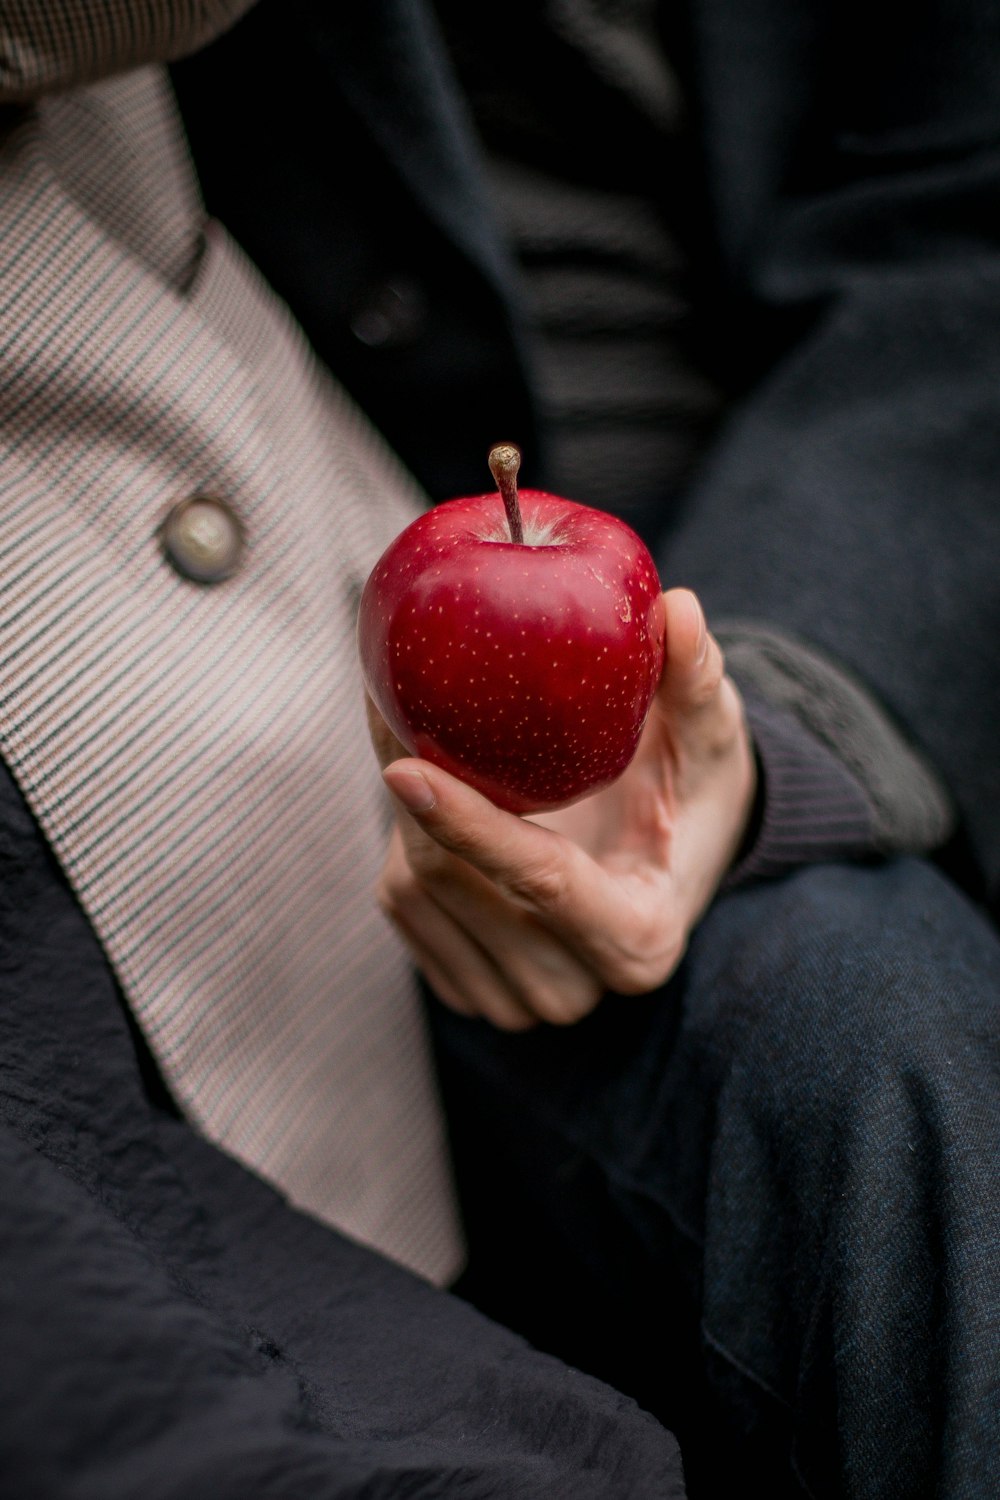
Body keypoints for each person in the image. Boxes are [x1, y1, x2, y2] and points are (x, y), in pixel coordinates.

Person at [0, 2, 997, 1497]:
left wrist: (781, 717)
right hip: (271, 667)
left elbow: (955, 218)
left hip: (726, 571)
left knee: (907, 1068)